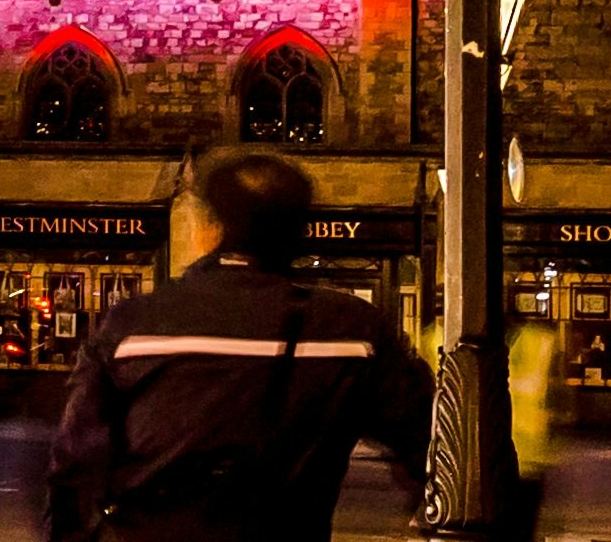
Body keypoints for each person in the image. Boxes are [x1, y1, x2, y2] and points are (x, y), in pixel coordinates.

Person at [44, 149, 431, 542]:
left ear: (210, 229)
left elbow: (76, 465)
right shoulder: (353, 330)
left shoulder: (132, 324)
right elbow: (428, 443)